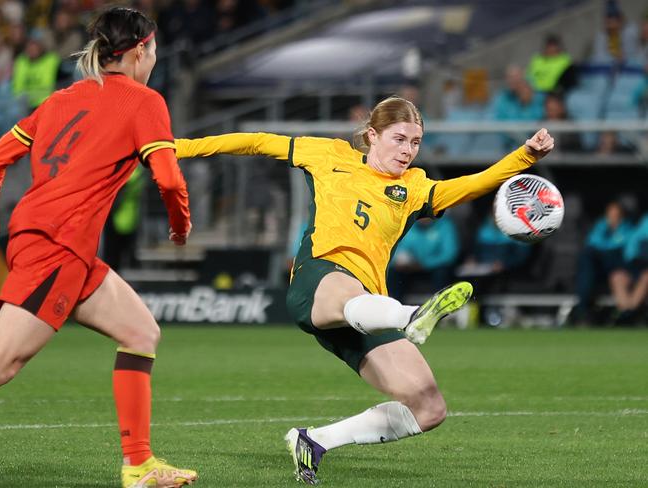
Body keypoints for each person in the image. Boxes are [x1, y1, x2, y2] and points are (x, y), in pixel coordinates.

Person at [175, 96, 554, 485]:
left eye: (416, 142)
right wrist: (180, 148)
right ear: (372, 135)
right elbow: (255, 141)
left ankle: (315, 441)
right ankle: (411, 316)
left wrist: (525, 156)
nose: (407, 150)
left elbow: (473, 185)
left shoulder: (415, 188)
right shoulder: (327, 155)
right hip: (318, 281)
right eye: (399, 138)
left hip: (367, 311)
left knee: (428, 407)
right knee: (350, 290)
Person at [0, 7, 196, 488]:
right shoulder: (143, 101)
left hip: (57, 242)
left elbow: (3, 151)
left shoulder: (64, 98)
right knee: (4, 362)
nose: (154, 59)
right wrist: (180, 226)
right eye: (153, 50)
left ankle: (139, 465)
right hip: (57, 246)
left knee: (141, 333)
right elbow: (168, 179)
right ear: (142, 49)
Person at [571, 200, 634, 324]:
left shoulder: (628, 229)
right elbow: (592, 243)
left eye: (615, 214)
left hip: (618, 266)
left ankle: (626, 315)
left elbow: (625, 250)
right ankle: (583, 308)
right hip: (599, 268)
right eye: (610, 214)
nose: (612, 217)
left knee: (616, 273)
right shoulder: (600, 226)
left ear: (621, 215)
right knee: (586, 257)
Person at [388, 215, 459, 302]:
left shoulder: (445, 225)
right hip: (411, 267)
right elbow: (398, 249)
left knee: (442, 273)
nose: (423, 217)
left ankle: (440, 304)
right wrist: (400, 262)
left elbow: (449, 254)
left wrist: (424, 264)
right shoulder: (409, 225)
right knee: (393, 272)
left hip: (434, 268)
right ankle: (395, 305)